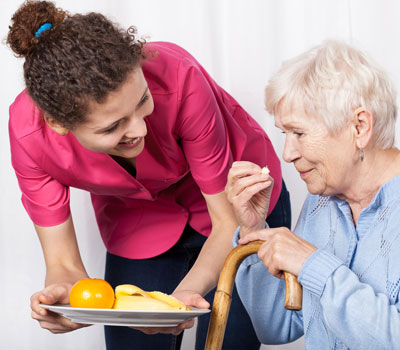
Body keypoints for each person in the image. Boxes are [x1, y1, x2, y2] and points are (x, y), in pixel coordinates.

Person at [7, 1, 291, 349]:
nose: (140, 129)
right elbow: (63, 263)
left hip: (237, 205)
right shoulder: (29, 135)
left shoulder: (179, 76)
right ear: (58, 123)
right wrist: (70, 298)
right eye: (113, 126)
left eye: (143, 100)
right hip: (140, 221)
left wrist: (183, 295)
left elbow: (226, 221)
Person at [225, 40, 400, 349]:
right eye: (284, 133)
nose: (287, 153)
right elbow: (275, 328)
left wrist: (312, 264)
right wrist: (253, 229)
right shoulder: (322, 202)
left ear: (359, 127)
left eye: (300, 133)